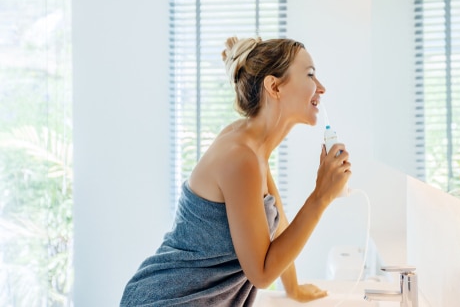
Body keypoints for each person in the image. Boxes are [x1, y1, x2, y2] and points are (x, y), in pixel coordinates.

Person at [120, 37, 351, 306]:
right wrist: (321, 196)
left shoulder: (253, 147)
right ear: (274, 86)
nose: (321, 88)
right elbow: (262, 274)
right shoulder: (242, 157)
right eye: (310, 74)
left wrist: (294, 288)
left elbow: (278, 224)